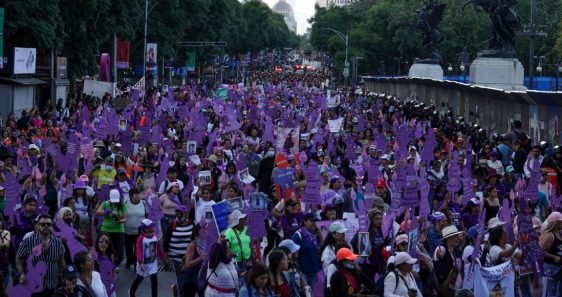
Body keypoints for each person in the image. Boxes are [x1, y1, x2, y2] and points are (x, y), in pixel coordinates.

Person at [16, 214, 66, 297]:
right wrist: (21, 273)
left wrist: (63, 275)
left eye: (49, 224)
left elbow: (61, 260)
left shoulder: (58, 242)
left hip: (52, 283)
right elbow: (18, 257)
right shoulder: (28, 241)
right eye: (43, 224)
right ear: (38, 226)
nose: (46, 226)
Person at [130, 219, 165, 297]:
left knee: (154, 281)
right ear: (145, 228)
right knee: (139, 279)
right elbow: (138, 251)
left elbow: (158, 248)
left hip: (153, 263)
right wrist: (140, 262)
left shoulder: (155, 236)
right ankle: (132, 292)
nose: (152, 227)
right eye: (150, 226)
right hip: (143, 264)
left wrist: (163, 258)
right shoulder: (141, 238)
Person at [163, 205, 194, 289]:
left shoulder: (192, 224)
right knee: (180, 276)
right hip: (175, 256)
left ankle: (179, 290)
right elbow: (166, 239)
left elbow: (195, 239)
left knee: (188, 277)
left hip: (188, 257)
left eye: (181, 213)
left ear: (185, 214)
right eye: (177, 213)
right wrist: (166, 253)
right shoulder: (172, 224)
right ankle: (180, 292)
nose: (179, 215)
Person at [95, 189, 127, 266]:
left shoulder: (122, 205)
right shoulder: (106, 203)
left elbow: (125, 217)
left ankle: (115, 265)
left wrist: (120, 221)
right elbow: (98, 212)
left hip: (118, 231)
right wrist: (108, 211)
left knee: (119, 253)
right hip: (106, 230)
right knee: (106, 250)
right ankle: (107, 266)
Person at [292, 213, 323, 287]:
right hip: (303, 272)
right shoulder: (297, 235)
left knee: (310, 291)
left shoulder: (316, 234)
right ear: (305, 222)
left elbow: (323, 248)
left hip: (314, 269)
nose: (314, 223)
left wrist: (320, 235)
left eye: (315, 221)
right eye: (311, 221)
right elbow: (294, 255)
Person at [434, 225, 464, 297]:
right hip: (444, 291)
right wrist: (439, 255)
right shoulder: (442, 248)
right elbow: (438, 256)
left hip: (456, 291)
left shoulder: (457, 251)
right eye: (455, 236)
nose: (458, 238)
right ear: (448, 238)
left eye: (457, 236)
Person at [539, 211, 562, 296]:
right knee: (551, 291)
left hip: (558, 267)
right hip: (551, 268)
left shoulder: (559, 233)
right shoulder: (549, 235)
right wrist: (553, 257)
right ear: (555, 223)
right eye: (560, 222)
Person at [180, 224, 205, 297]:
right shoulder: (193, 245)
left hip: (202, 277)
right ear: (197, 231)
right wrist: (200, 258)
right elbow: (188, 264)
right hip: (191, 279)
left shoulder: (208, 244)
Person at [124, 188, 147, 269]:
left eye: (138, 194)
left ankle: (136, 262)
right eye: (135, 194)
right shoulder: (125, 203)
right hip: (127, 231)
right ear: (131, 196)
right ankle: (129, 260)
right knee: (128, 248)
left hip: (140, 231)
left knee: (138, 248)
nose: (138, 196)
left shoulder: (144, 203)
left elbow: (147, 215)